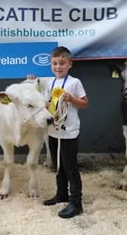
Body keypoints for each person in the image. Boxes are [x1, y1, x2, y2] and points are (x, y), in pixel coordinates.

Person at [42, 46, 88, 219]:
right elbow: (47, 103)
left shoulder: (74, 83)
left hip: (69, 132)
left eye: (62, 63)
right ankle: (62, 194)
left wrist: (71, 99)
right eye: (54, 63)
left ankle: (76, 203)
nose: (58, 67)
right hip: (53, 131)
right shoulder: (50, 83)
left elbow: (85, 103)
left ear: (70, 64)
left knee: (70, 167)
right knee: (58, 165)